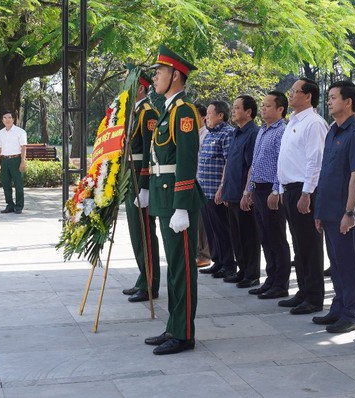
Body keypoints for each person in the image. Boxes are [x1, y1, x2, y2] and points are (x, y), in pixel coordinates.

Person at [142, 45, 206, 355]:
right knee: (174, 268)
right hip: (164, 196)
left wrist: (182, 205)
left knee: (182, 268)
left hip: (177, 199)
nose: (155, 77)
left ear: (176, 76)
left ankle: (185, 334)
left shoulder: (184, 110)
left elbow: (186, 158)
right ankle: (174, 325)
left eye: (160, 72)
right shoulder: (168, 108)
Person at [312, 81, 355, 333]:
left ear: (348, 102)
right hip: (329, 209)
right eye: (329, 97)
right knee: (335, 263)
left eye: (334, 97)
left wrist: (349, 212)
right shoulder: (333, 130)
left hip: (344, 212)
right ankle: (338, 307)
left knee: (349, 263)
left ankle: (350, 313)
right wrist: (320, 211)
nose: (329, 101)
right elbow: (326, 172)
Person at [277, 78, 328, 315]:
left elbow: (314, 161)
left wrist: (307, 192)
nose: (290, 95)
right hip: (290, 189)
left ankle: (315, 296)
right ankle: (303, 290)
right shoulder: (294, 121)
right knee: (299, 244)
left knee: (310, 244)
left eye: (295, 91)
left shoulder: (314, 123)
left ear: (308, 96)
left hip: (304, 190)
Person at [241, 91, 292, 299]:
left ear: (280, 109)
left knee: (277, 237)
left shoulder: (282, 131)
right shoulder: (263, 130)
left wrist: (276, 189)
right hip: (258, 188)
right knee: (265, 236)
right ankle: (270, 279)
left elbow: (283, 162)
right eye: (262, 105)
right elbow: (254, 163)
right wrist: (248, 190)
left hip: (272, 190)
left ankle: (281, 283)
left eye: (268, 106)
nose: (263, 109)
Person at [122, 73, 161, 303]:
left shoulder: (148, 112)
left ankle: (150, 284)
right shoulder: (134, 112)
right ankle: (142, 279)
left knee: (145, 234)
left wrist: (145, 186)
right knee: (137, 235)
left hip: (139, 179)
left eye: (131, 84)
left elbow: (148, 152)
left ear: (140, 89)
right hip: (130, 178)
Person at [219, 95, 261, 288]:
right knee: (236, 235)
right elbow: (230, 162)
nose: (233, 111)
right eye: (233, 108)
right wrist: (224, 189)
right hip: (232, 192)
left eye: (237, 108)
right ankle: (242, 270)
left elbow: (252, 165)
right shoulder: (237, 132)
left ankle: (251, 274)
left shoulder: (253, 133)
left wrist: (247, 192)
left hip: (244, 194)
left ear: (248, 112)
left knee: (248, 235)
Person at [197, 101, 237, 279]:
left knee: (222, 228)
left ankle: (228, 264)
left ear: (220, 116)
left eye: (210, 113)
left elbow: (229, 163)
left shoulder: (227, 133)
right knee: (211, 228)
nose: (206, 117)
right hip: (204, 190)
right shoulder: (209, 134)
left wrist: (222, 187)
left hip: (217, 191)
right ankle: (217, 261)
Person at [0, 111, 27, 214]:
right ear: (2, 120)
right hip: (5, 160)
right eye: (5, 118)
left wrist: (22, 162)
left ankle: (19, 206)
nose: (7, 120)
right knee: (5, 183)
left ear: (13, 119)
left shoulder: (20, 132)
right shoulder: (1, 133)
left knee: (18, 184)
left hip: (16, 159)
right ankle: (10, 205)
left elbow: (23, 147)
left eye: (9, 117)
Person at [195, 103, 211, 268]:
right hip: (193, 181)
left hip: (203, 182)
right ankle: (197, 252)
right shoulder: (192, 134)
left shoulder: (206, 135)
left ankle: (205, 254)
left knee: (202, 223)